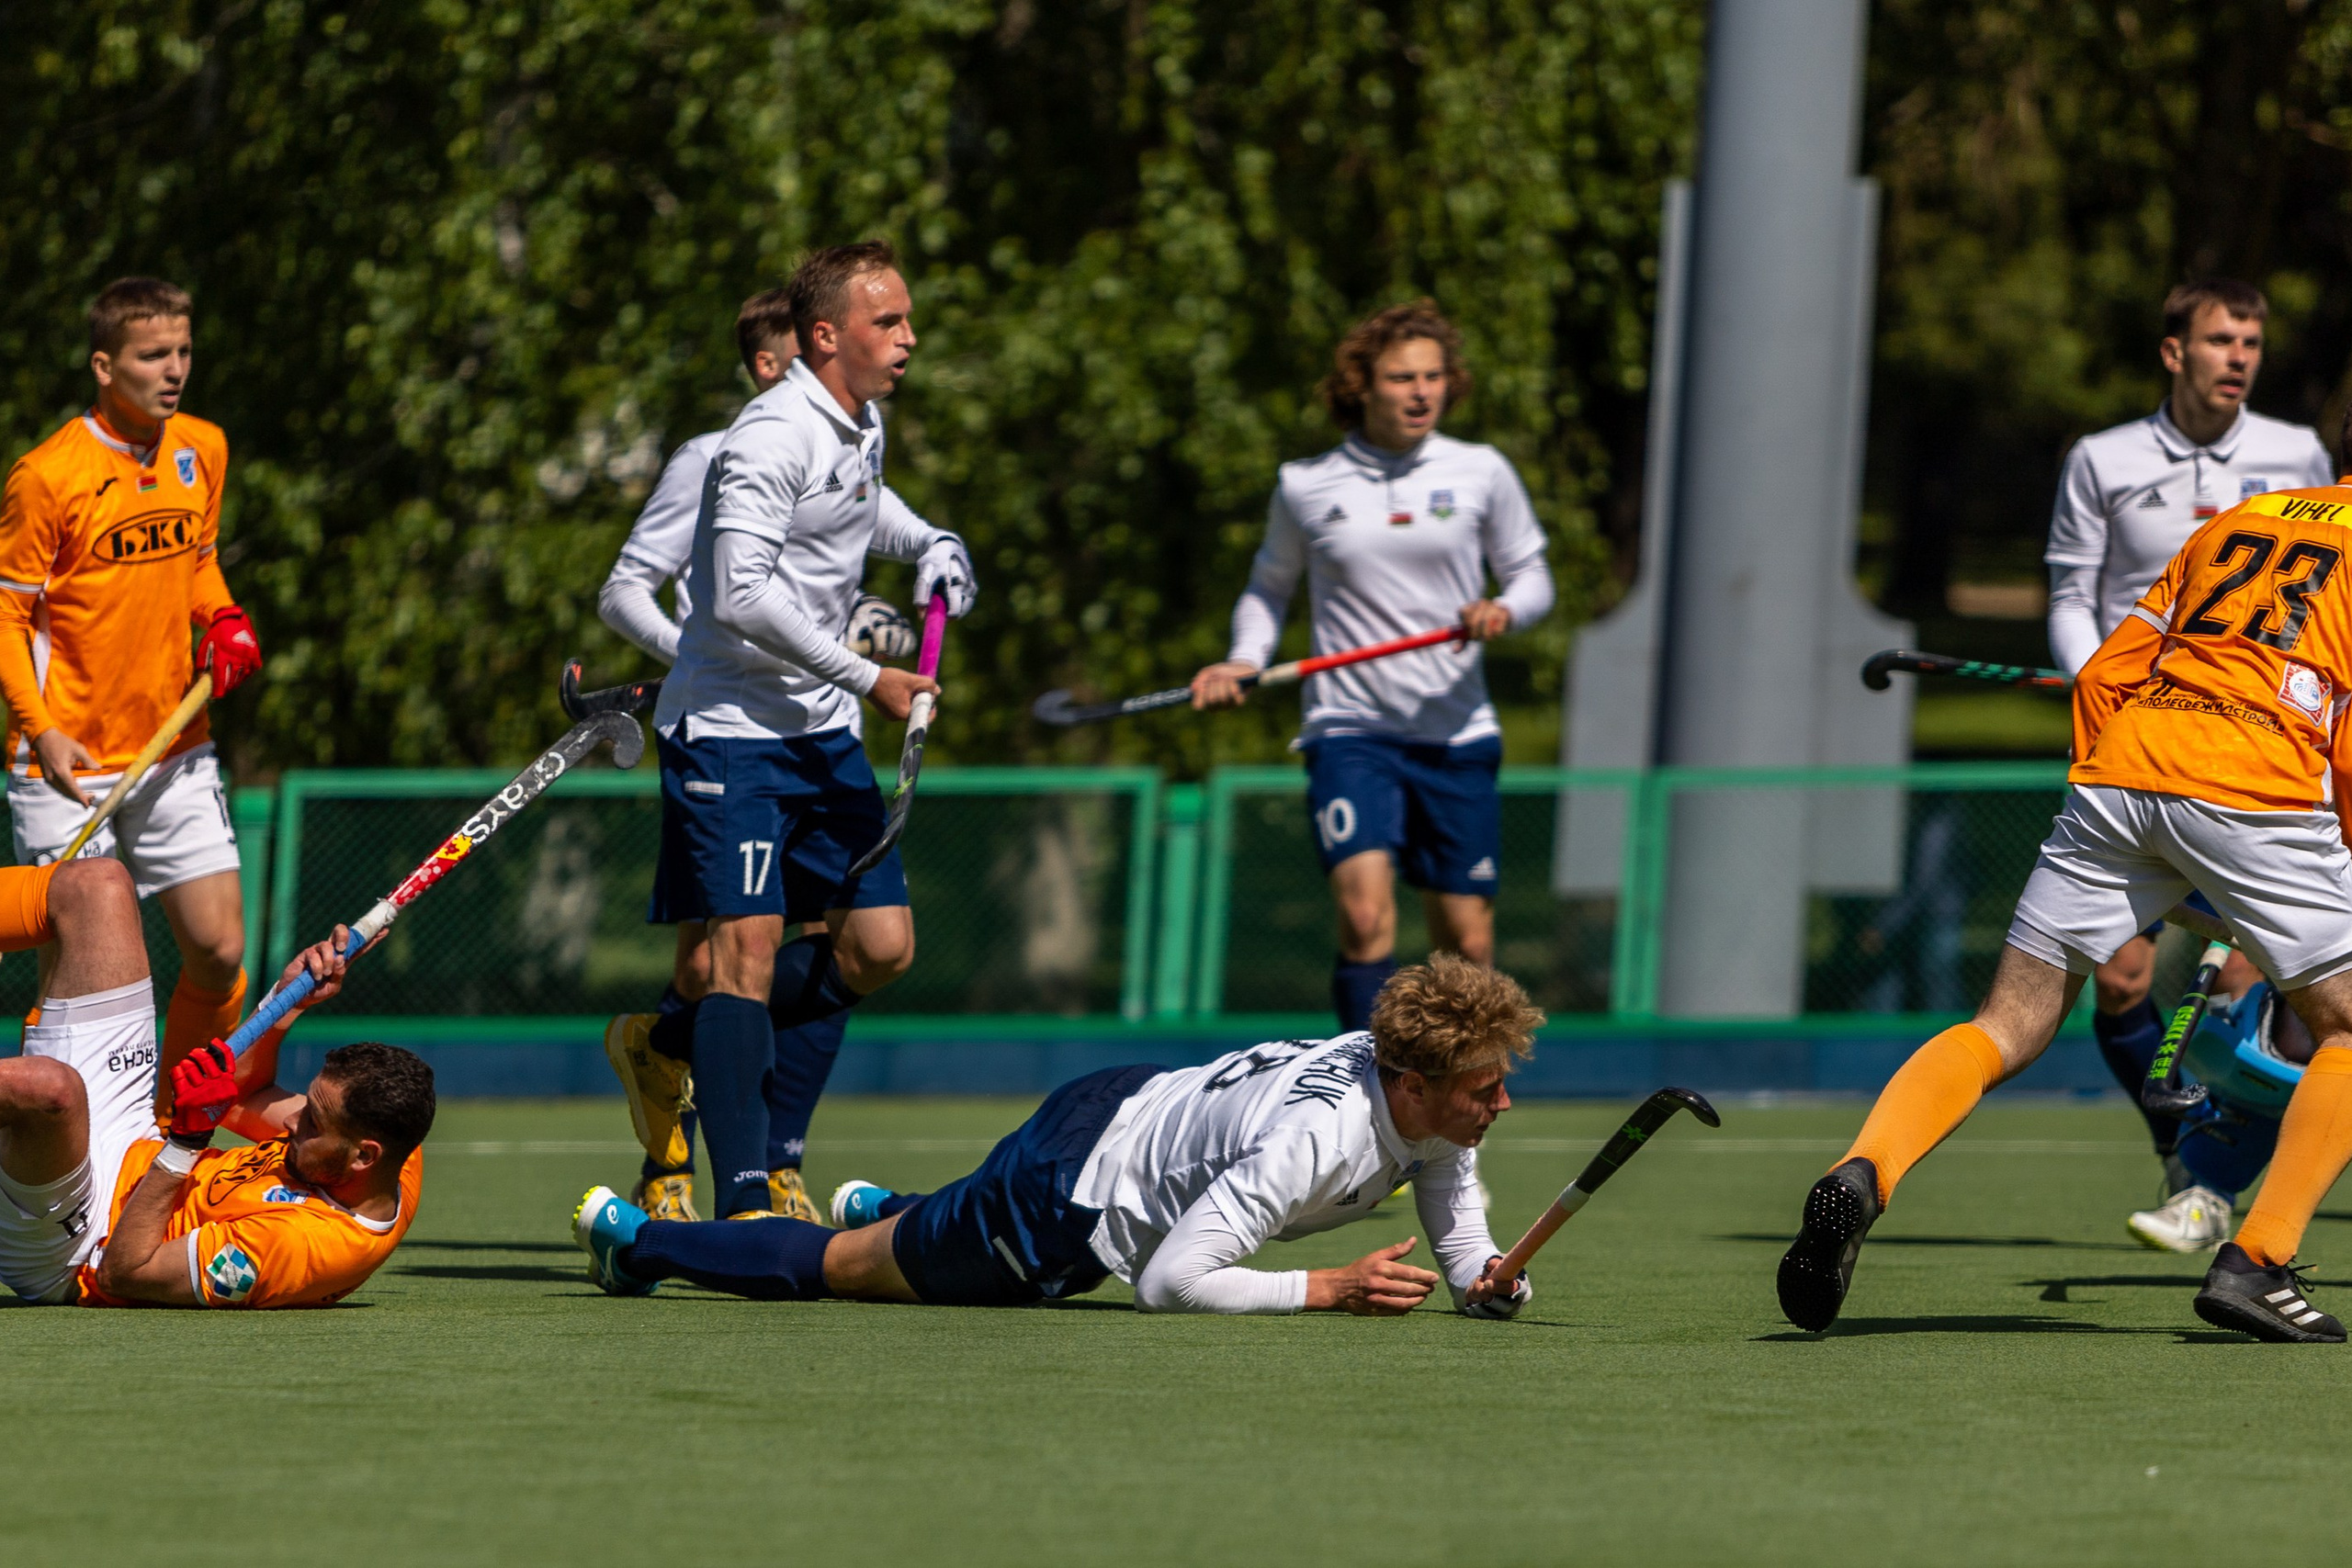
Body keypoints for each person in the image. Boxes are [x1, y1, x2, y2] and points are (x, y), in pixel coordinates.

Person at [1780, 441, 2352, 1343]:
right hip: (2258, 783)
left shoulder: (2241, 521)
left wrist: (2121, 802)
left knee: (2005, 1022)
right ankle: (2258, 1261)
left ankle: (1864, 1170)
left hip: (2124, 764)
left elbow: (2110, 672)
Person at [606, 240, 975, 1225]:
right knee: (747, 953)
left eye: (904, 319)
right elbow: (734, 595)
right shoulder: (767, 437)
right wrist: (870, 676)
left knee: (880, 948)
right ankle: (742, 1203)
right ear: (827, 336)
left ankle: (672, 1044)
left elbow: (865, 512)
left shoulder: (862, 425)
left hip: (818, 734)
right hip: (732, 733)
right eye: (887, 321)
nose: (908, 336)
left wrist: (935, 543)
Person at [573, 954, 1537, 1316]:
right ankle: (634, 1241)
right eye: (1483, 1090)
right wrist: (1328, 1287)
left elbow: (1451, 1201)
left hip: (1126, 1107)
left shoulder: (1418, 1091)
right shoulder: (1317, 1143)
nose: (1498, 1107)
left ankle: (901, 1210)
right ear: (1412, 1085)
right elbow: (1171, 1284)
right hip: (1068, 1197)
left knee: (920, 1230)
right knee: (848, 1266)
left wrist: (1483, 1273)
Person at [2041, 277, 2332, 1221]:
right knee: (2121, 983)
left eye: (2250, 340)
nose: (2239, 356)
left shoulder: (2295, 453)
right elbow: (2070, 595)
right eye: (2219, 340)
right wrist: (2102, 688)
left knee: (2253, 970)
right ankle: (2185, 1152)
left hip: (2262, 753)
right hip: (2138, 735)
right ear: (2174, 352)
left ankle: (2208, 1188)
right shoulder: (2103, 458)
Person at [1190, 300, 1553, 1032]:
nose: (1421, 391)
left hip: (1456, 734)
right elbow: (1269, 586)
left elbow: (1533, 577)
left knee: (1470, 943)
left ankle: (1461, 1110)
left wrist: (1505, 610)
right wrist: (1242, 660)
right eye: (1400, 378)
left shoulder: (1480, 470)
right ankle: (1361, 1100)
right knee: (1363, 918)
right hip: (1350, 729)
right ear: (1362, 385)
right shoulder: (1307, 484)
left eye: (1433, 376)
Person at [0, 277, 266, 1108]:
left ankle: (171, 1108)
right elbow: (6, 614)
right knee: (80, 969)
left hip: (174, 749)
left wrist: (220, 616)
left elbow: (197, 561)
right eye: (155, 355)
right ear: (104, 365)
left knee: (220, 947)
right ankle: (57, 1140)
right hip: (67, 764)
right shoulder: (47, 476)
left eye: (184, 351)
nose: (175, 369)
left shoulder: (204, 448)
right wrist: (39, 730)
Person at [0, 850, 433, 1307]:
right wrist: (286, 1004)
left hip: (80, 1243)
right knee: (96, 885)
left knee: (48, 1089)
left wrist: (187, 1143)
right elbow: (245, 1096)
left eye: (313, 1124)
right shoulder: (393, 1154)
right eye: (306, 1107)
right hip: (132, 1143)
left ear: (364, 1157)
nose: (290, 1123)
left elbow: (122, 1274)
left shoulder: (298, 1247)